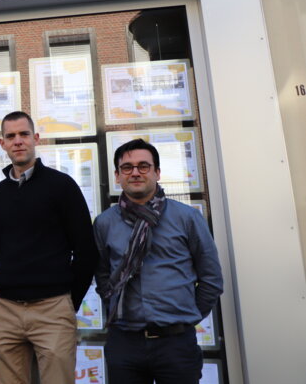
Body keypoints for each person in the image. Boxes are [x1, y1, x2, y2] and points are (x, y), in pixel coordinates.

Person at [93, 139, 223, 384]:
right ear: (117, 176)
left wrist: (186, 315)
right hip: (124, 343)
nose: (135, 172)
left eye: (143, 166)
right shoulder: (104, 223)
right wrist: (114, 306)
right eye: (127, 167)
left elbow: (211, 278)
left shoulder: (186, 218)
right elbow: (102, 274)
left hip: (176, 344)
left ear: (157, 172)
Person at [0, 111, 97, 384]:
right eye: (11, 136)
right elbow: (0, 250)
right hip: (5, 310)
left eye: (24, 134)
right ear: (2, 143)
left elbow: (86, 250)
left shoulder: (62, 186)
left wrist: (68, 302)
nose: (18, 141)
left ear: (36, 138)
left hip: (52, 308)